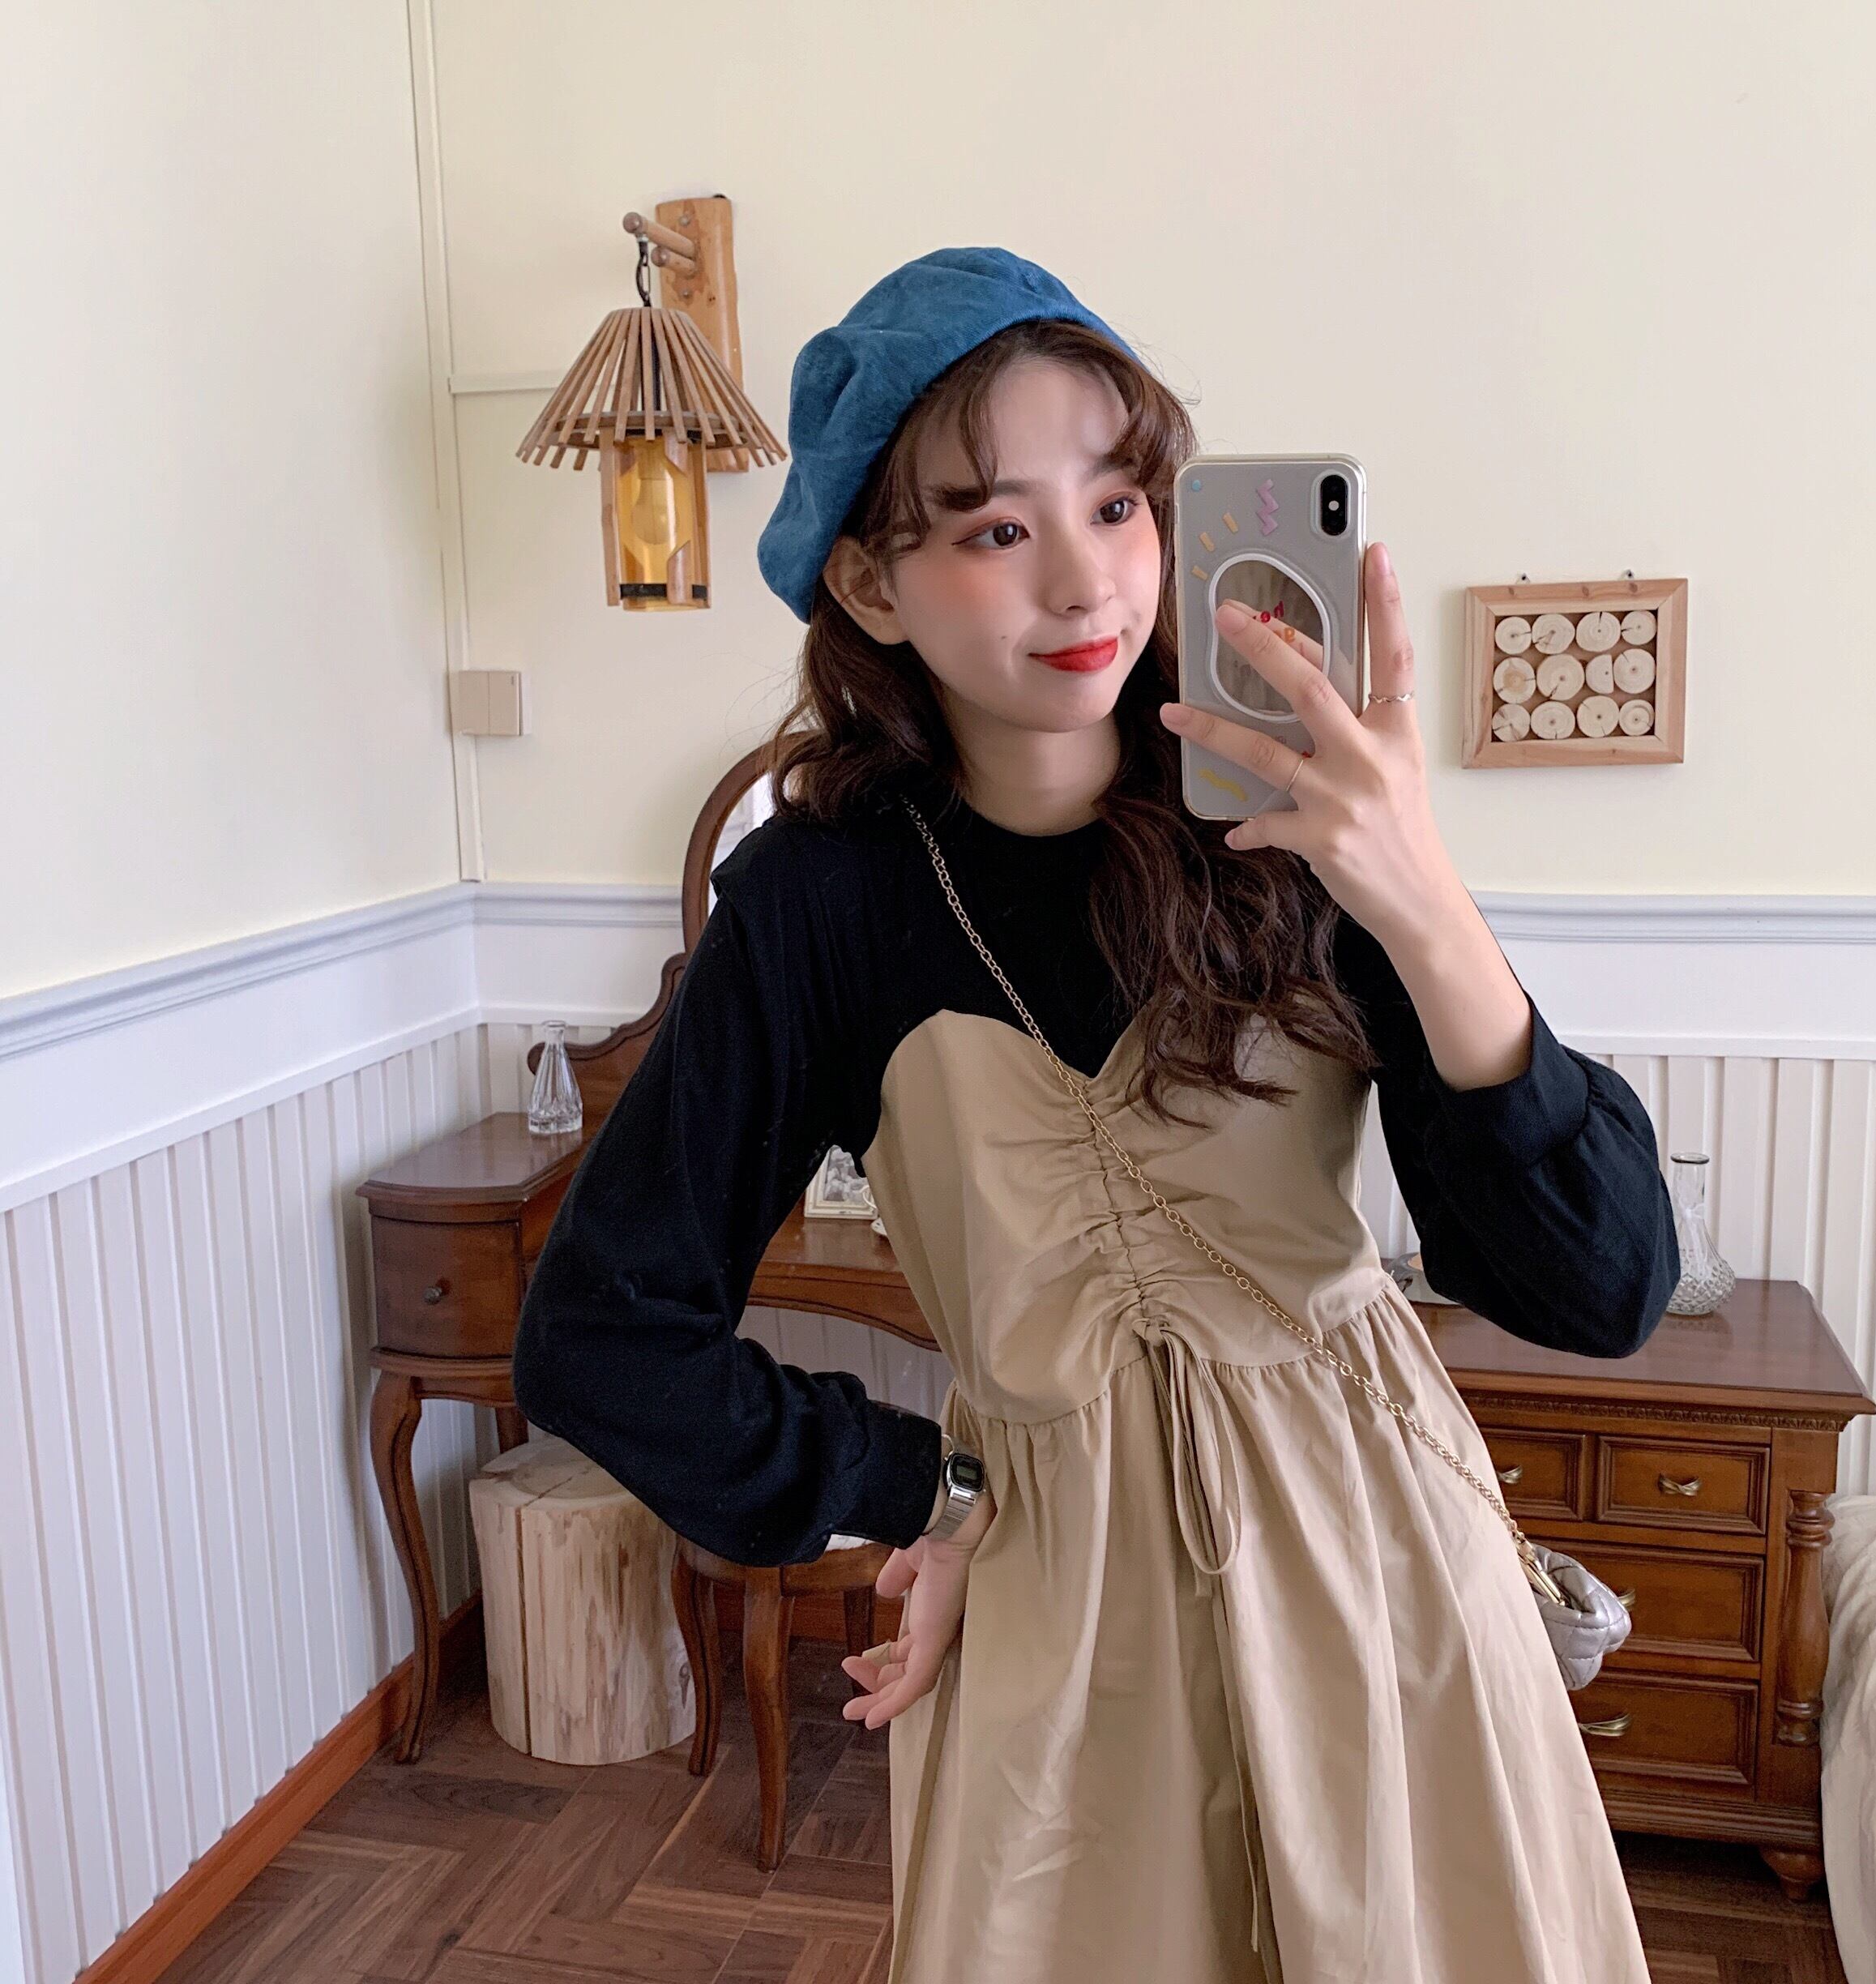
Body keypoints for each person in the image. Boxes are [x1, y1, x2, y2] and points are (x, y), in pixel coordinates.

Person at [511, 246, 1681, 1983]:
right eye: (995, 527)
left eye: (1121, 503)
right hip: (1057, 1626)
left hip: (1381, 1573)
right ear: (872, 582)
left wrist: (1423, 894)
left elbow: (1602, 1287)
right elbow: (600, 1336)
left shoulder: (1298, 824)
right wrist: (922, 1485)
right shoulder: (820, 907)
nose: (1084, 579)